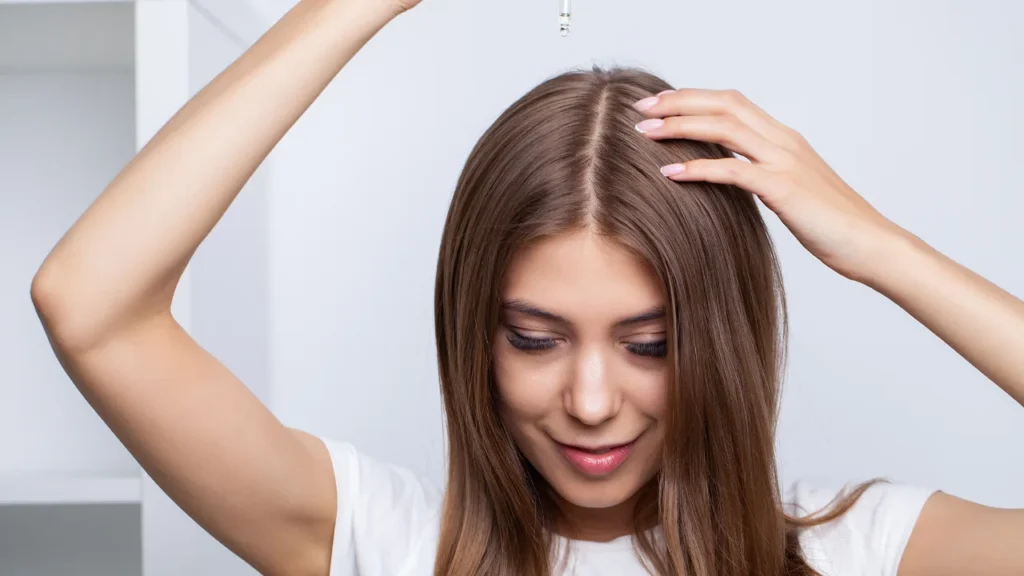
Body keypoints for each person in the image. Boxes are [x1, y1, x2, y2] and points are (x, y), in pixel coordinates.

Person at [28, 0, 1024, 575]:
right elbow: (90, 304)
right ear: (475, 335)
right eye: (536, 338)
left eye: (650, 344)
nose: (591, 403)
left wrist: (876, 247)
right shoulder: (386, 545)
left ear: (723, 335)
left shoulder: (863, 551)